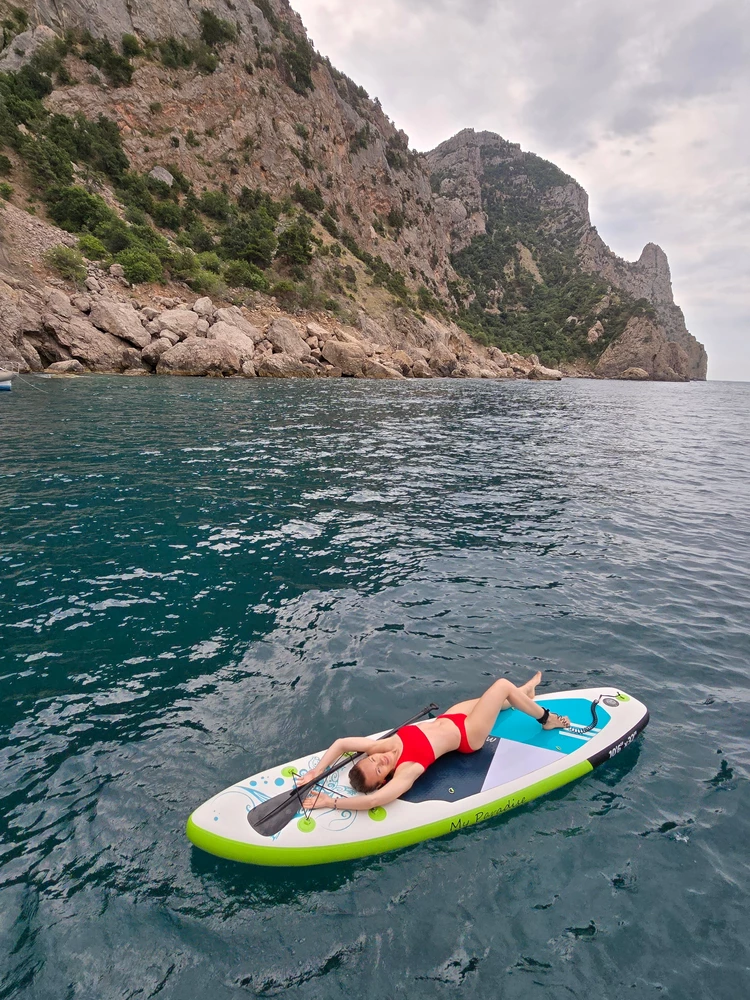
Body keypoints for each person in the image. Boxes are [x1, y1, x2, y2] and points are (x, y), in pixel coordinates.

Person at [302, 672, 569, 812]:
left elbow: (340, 744)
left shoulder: (382, 747)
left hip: (450, 716)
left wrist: (318, 772)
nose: (379, 761)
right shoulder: (408, 770)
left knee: (500, 699)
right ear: (384, 779)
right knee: (500, 687)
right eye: (380, 770)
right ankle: (547, 719)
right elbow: (375, 801)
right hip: (467, 735)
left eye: (372, 760)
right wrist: (330, 802)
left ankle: (525, 693)